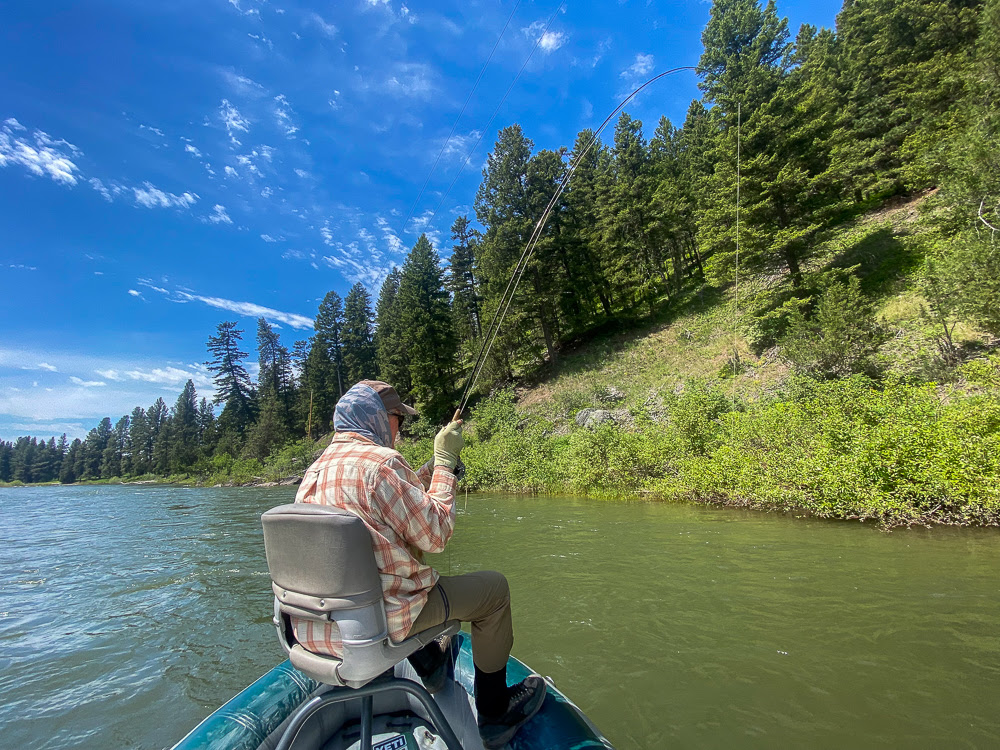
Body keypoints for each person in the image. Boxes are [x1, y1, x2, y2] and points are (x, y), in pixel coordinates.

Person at [291, 380, 546, 749]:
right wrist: (445, 462)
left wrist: (429, 469)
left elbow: (386, 505)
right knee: (494, 590)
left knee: (392, 574)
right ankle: (494, 712)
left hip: (317, 632)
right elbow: (436, 534)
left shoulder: (313, 474)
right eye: (398, 418)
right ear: (378, 418)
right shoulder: (380, 464)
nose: (401, 428)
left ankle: (430, 664)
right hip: (378, 626)